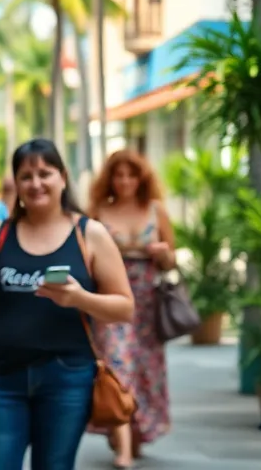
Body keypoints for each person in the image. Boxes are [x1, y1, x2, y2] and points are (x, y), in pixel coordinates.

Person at [0, 138, 134, 469]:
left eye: (45, 173)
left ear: (63, 178)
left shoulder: (89, 233)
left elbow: (125, 307)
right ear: (16, 184)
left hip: (67, 378)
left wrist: (80, 298)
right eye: (26, 176)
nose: (36, 183)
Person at [88, 150, 177, 468]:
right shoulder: (99, 211)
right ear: (110, 179)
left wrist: (162, 252)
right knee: (118, 364)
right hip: (111, 299)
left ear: (141, 178)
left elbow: (172, 261)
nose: (124, 181)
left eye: (131, 174)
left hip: (147, 301)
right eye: (118, 175)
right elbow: (86, 256)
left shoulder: (156, 210)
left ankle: (132, 433)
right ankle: (124, 447)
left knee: (145, 370)